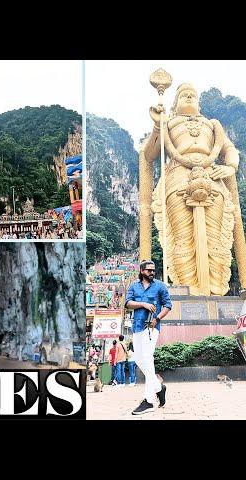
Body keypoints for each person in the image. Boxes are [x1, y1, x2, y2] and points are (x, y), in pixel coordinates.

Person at [140, 82, 244, 296]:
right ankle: (188, 290)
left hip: (211, 176)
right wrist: (158, 127)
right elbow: (149, 154)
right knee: (183, 237)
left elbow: (230, 149)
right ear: (176, 103)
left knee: (215, 239)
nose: (189, 98)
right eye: (184, 95)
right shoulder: (168, 123)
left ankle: (215, 289)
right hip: (178, 177)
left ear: (199, 102)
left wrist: (230, 167)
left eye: (193, 95)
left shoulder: (212, 125)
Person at [125, 260, 172, 415]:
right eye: (149, 270)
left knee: (147, 357)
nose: (152, 273)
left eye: (153, 270)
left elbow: (167, 305)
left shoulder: (160, 285)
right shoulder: (134, 285)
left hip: (151, 328)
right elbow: (128, 303)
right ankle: (159, 387)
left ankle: (149, 401)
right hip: (137, 326)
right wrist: (143, 304)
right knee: (138, 359)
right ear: (142, 271)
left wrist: (157, 318)